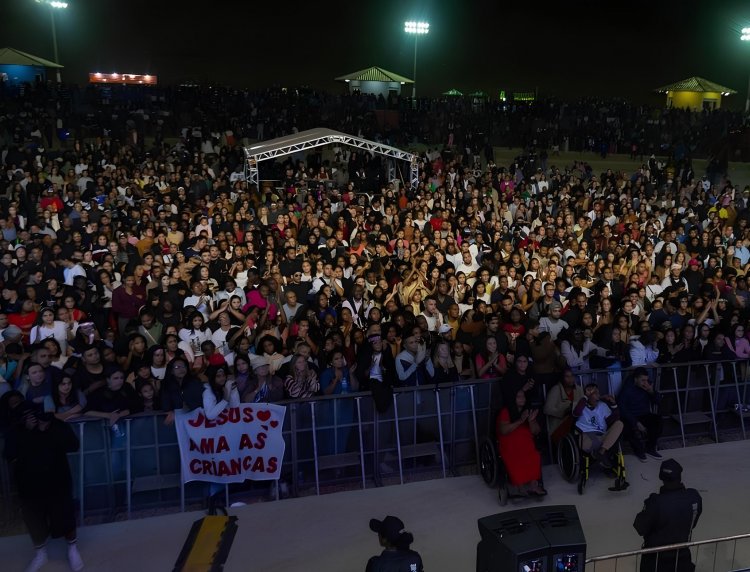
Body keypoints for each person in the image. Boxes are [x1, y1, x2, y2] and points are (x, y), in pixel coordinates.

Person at [0, 391, 84, 572]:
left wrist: (49, 427)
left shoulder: (54, 424)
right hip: (29, 485)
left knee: (65, 516)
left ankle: (72, 550)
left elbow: (73, 445)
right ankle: (40, 554)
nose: (31, 417)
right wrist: (28, 432)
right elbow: (9, 455)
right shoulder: (14, 430)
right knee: (34, 521)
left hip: (58, 481)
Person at [633, 459, 702, 572]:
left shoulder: (655, 502)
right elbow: (693, 523)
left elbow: (640, 527)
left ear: (661, 477)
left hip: (655, 560)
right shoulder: (694, 497)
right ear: (679, 476)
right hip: (682, 556)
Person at [497, 389, 546, 496]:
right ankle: (520, 486)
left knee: (534, 455)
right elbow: (504, 431)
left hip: (526, 440)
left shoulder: (527, 410)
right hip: (509, 441)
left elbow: (536, 431)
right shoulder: (506, 411)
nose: (522, 399)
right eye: (519, 396)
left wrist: (531, 420)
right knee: (516, 456)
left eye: (523, 396)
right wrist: (520, 420)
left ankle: (534, 485)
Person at [617, 367, 663, 462]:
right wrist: (636, 422)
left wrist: (651, 391)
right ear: (635, 379)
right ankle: (639, 450)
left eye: (646, 380)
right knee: (628, 426)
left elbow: (658, 402)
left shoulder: (646, 387)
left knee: (657, 420)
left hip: (644, 414)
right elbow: (622, 409)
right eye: (642, 380)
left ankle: (650, 448)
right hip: (631, 417)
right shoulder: (626, 390)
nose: (645, 382)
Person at [573, 382, 624, 467]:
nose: (598, 396)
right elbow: (576, 412)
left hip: (602, 436)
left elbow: (613, 420)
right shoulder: (579, 404)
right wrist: (586, 396)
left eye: (598, 393)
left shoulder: (602, 405)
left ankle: (601, 452)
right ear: (587, 393)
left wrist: (614, 404)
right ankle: (602, 455)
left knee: (619, 424)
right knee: (600, 444)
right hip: (587, 437)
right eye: (595, 393)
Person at [544, 368, 584, 445]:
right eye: (567, 376)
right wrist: (564, 411)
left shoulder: (579, 389)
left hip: (577, 423)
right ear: (562, 378)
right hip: (559, 425)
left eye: (572, 376)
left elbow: (583, 405)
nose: (570, 379)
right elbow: (547, 409)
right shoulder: (556, 389)